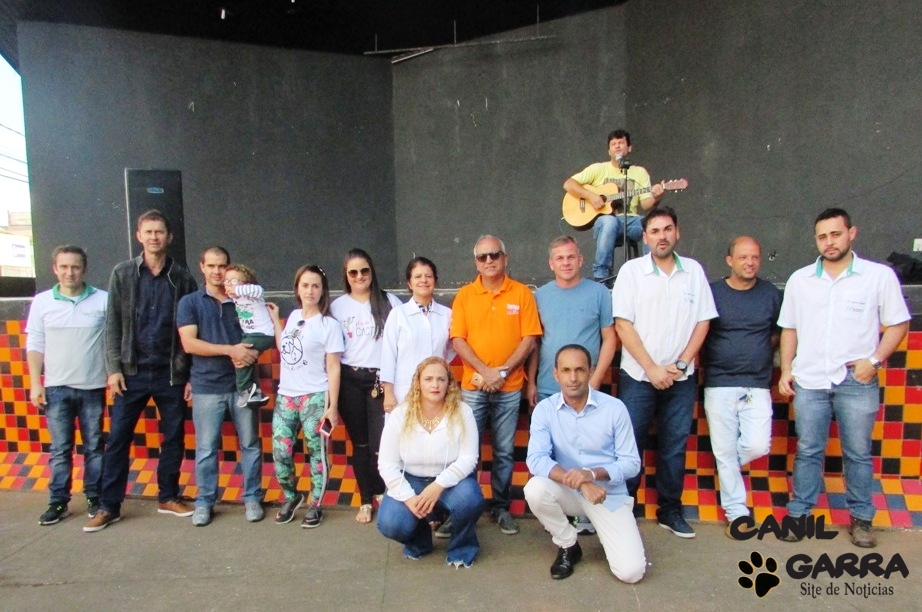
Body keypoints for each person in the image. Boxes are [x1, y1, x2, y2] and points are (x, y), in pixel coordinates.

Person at [777, 208, 909, 548]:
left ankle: (862, 520)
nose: (829, 242)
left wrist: (874, 361)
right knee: (808, 450)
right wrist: (787, 369)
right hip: (810, 379)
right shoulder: (800, 279)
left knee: (858, 453)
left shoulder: (877, 276)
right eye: (822, 237)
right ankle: (799, 514)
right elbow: (789, 328)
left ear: (852, 233)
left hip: (856, 380)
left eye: (836, 234)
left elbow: (899, 323)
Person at [85, 210, 198, 532]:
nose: (154, 237)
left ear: (169, 237)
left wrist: (188, 374)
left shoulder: (182, 277)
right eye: (148, 232)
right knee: (118, 439)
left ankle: (168, 496)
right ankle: (109, 506)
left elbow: (191, 328)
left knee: (173, 437)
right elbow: (112, 325)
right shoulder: (123, 273)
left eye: (159, 231)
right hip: (130, 372)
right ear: (139, 236)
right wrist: (113, 369)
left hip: (170, 372)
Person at [612, 206, 717, 538]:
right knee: (630, 445)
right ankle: (622, 509)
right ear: (645, 237)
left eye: (667, 229)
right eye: (655, 231)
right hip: (638, 377)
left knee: (674, 446)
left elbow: (703, 322)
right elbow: (622, 325)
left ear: (677, 232)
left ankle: (670, 509)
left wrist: (682, 363)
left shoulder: (694, 272)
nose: (662, 236)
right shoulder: (631, 272)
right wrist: (652, 368)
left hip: (681, 378)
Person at [525, 344, 645, 582]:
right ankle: (568, 544)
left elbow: (632, 464)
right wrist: (581, 482)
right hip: (569, 492)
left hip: (607, 495)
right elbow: (536, 459)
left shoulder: (614, 408)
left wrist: (592, 474)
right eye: (566, 370)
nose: (573, 378)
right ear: (556, 374)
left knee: (631, 573)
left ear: (591, 371)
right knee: (535, 489)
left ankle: (607, 531)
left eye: (579, 370)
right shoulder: (545, 410)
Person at [450, 234, 542, 536]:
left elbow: (530, 339)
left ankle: (501, 508)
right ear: (476, 262)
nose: (489, 261)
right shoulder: (465, 295)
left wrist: (501, 372)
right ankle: (463, 510)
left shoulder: (522, 294)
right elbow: (458, 340)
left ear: (505, 258)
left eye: (494, 255)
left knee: (503, 452)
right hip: (473, 387)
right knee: (467, 452)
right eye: (483, 257)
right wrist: (486, 372)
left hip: (510, 387)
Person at [526, 235, 616, 535]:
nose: (566, 262)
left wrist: (596, 377)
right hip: (548, 388)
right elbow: (536, 343)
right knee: (548, 455)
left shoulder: (599, 293)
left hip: (586, 389)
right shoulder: (539, 297)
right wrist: (531, 381)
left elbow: (610, 338)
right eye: (560, 258)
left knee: (586, 450)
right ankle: (557, 517)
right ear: (551, 264)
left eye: (571, 257)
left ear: (580, 260)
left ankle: (589, 511)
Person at [176, 246, 264, 526]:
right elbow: (189, 343)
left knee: (250, 444)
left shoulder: (243, 300)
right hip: (206, 386)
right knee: (206, 449)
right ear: (201, 267)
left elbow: (260, 333)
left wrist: (253, 351)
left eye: (222, 266)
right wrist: (230, 350)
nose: (217, 271)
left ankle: (252, 497)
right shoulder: (190, 302)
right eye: (211, 266)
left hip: (243, 385)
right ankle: (205, 501)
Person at [701, 236, 781, 538]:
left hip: (757, 384)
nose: (750, 263)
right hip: (718, 384)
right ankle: (737, 514)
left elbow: (779, 333)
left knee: (757, 445)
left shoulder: (771, 294)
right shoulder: (712, 293)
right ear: (729, 260)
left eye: (755, 257)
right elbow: (700, 331)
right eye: (743, 257)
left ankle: (728, 467)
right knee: (723, 453)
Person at [26, 245, 107, 525]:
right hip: (56, 388)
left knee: (94, 447)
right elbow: (35, 344)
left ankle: (95, 497)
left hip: (93, 387)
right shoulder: (42, 302)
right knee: (60, 449)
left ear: (84, 269)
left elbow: (112, 341)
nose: (69, 272)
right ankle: (58, 501)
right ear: (54, 269)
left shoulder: (103, 300)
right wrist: (35, 383)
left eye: (75, 267)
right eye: (63, 267)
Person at [377, 357, 484, 567]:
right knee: (391, 523)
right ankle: (419, 541)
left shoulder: (463, 412)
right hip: (411, 479)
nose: (435, 385)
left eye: (441, 379)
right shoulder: (400, 414)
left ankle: (462, 549)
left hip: (450, 482)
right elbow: (386, 464)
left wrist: (438, 486)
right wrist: (409, 499)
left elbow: (469, 458)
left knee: (470, 500)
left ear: (449, 383)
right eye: (428, 379)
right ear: (418, 382)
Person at [330, 248, 402, 524]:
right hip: (349, 380)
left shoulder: (389, 301)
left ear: (372, 271)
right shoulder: (337, 307)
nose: (359, 276)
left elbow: (400, 343)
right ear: (346, 275)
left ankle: (383, 493)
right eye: (353, 272)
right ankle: (365, 499)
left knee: (381, 443)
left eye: (364, 271)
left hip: (380, 382)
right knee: (359, 444)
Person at [269, 265, 343, 527]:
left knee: (317, 453)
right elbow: (285, 348)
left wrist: (332, 406)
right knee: (280, 451)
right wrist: (277, 322)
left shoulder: (328, 325)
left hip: (315, 396)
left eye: (315, 286)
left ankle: (316, 504)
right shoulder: (292, 317)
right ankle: (292, 496)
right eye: (305, 285)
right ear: (297, 289)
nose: (310, 291)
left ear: (323, 291)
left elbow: (334, 367)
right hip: (286, 396)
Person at [563, 129, 665, 284]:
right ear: (609, 150)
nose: (617, 146)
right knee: (610, 222)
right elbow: (569, 184)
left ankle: (650, 274)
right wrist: (591, 196)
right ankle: (602, 276)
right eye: (613, 144)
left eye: (621, 143)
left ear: (629, 147)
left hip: (631, 221)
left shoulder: (639, 172)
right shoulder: (598, 169)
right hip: (605, 222)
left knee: (650, 224)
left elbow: (646, 205)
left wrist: (657, 197)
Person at [380, 256, 455, 412]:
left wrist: (439, 364)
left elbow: (452, 348)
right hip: (403, 391)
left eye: (428, 276)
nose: (424, 280)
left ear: (435, 281)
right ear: (409, 283)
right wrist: (388, 393)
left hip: (436, 390)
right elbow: (388, 355)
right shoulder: (398, 314)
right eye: (418, 276)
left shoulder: (447, 314)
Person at [223, 264, 274, 408]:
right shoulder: (236, 298)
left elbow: (259, 290)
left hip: (262, 334)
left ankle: (244, 390)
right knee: (247, 361)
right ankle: (256, 392)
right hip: (250, 334)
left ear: (246, 284)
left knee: (239, 358)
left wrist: (236, 289)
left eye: (234, 281)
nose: (229, 285)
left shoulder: (252, 295)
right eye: (227, 281)